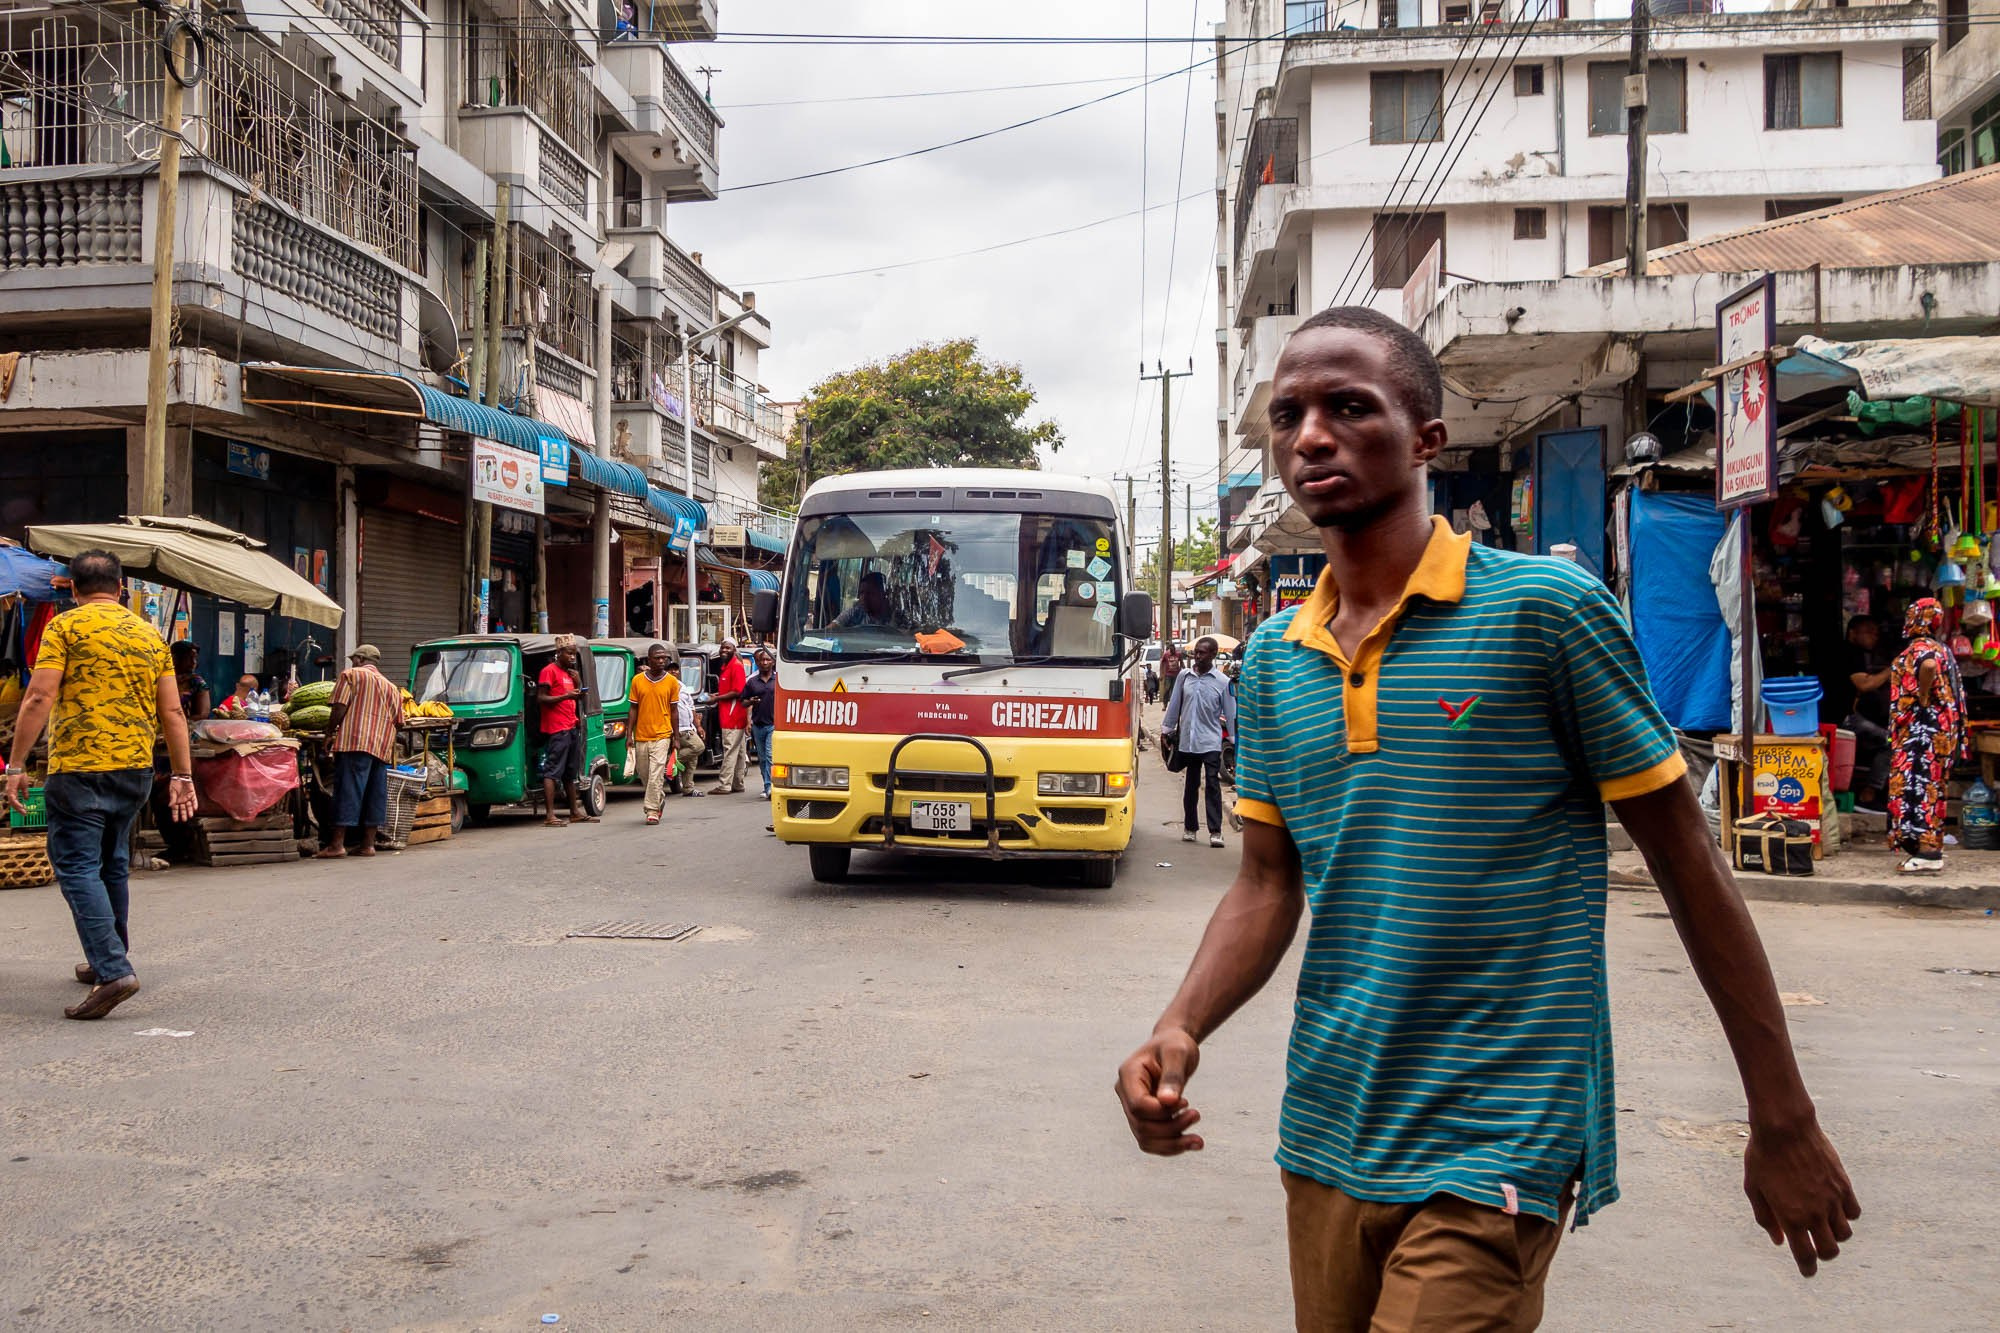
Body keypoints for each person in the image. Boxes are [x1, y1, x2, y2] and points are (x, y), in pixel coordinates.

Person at [1115, 307, 1859, 1330]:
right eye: (1288, 415)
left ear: (1427, 438)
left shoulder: (1543, 613)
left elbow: (1686, 860)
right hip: (1328, 1129)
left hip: (1494, 1138)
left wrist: (1780, 1113)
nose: (1309, 436)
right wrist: (1177, 1024)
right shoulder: (1278, 661)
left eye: (1347, 407)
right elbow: (1266, 881)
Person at [4, 548, 196, 1020]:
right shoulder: (151, 636)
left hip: (79, 770)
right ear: (122, 588)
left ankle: (113, 969)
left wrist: (14, 765)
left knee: (75, 866)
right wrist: (184, 774)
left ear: (71, 587)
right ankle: (106, 956)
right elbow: (172, 711)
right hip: (134, 771)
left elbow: (39, 696)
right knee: (112, 863)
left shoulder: (65, 627)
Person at [1885, 598, 1966, 874]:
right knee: (1930, 788)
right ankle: (1927, 849)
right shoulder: (1940, 647)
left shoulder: (1922, 648)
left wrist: (1921, 696)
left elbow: (1928, 667)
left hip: (1921, 731)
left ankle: (1927, 854)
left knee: (1917, 789)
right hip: (1936, 730)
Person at [315, 644, 404, 859]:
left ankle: (336, 845)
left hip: (355, 741)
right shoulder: (391, 687)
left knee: (348, 790)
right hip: (381, 745)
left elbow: (339, 707)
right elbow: (399, 722)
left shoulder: (350, 676)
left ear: (358, 659)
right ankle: (368, 845)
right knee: (375, 794)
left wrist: (329, 732)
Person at [1162, 635, 1235, 849]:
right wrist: (1166, 730)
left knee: (1212, 784)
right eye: (1196, 652)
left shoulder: (1223, 682)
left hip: (1210, 741)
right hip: (1188, 740)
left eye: (1202, 653)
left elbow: (1230, 714)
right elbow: (1175, 704)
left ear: (1213, 655)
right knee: (1191, 785)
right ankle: (1190, 827)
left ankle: (1215, 832)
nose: (1197, 656)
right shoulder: (1185, 677)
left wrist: (1233, 738)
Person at [1835, 615, 1894, 813]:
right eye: (1869, 632)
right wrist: (1891, 670)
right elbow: (1865, 684)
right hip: (1842, 718)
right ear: (1852, 632)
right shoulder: (1849, 652)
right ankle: (1868, 796)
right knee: (1891, 741)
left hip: (1850, 715)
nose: (1874, 637)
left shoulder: (1855, 653)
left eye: (1876, 633)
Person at [537, 638, 595, 825]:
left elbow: (578, 697)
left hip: (571, 726)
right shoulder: (548, 671)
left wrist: (578, 684)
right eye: (569, 653)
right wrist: (565, 696)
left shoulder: (570, 674)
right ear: (559, 653)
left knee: (570, 773)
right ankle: (550, 815)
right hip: (557, 728)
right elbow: (541, 698)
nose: (572, 657)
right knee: (552, 771)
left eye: (573, 653)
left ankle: (574, 812)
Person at [628, 642, 682, 825]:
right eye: (657, 658)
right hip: (642, 735)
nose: (661, 661)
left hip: (662, 734)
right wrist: (629, 735)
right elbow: (633, 709)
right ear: (648, 660)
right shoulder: (637, 681)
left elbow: (674, 711)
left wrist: (676, 737)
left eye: (664, 658)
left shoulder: (672, 682)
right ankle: (659, 798)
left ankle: (651, 810)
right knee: (645, 775)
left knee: (656, 773)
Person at [709, 638, 751, 794]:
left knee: (730, 750)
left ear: (734, 649)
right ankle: (738, 783)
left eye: (727, 648)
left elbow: (738, 691)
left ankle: (725, 784)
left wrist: (717, 698)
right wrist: (718, 695)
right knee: (739, 751)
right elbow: (730, 689)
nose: (724, 650)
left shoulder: (736, 666)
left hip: (732, 716)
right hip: (732, 715)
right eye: (722, 648)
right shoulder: (726, 666)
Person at [741, 647, 778, 798]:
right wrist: (751, 701)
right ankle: (766, 785)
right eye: (762, 660)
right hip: (758, 725)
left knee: (770, 755)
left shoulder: (779, 680)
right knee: (762, 758)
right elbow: (743, 702)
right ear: (758, 662)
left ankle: (771, 787)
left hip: (773, 724)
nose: (764, 662)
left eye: (768, 660)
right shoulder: (751, 682)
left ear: (773, 662)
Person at [673, 667, 707, 798]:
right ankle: (668, 763)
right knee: (698, 747)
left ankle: (688, 787)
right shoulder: (665, 686)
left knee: (693, 758)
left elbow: (691, 707)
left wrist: (698, 726)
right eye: (670, 670)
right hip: (677, 728)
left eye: (675, 669)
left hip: (688, 726)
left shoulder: (682, 686)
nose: (674, 672)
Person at [170, 640, 211, 722]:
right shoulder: (163, 680)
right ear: (175, 659)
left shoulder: (197, 682)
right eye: (189, 658)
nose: (193, 662)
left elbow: (203, 714)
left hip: (188, 728)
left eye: (195, 658)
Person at [1158, 639, 1183, 709]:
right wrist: (1161, 674)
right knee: (1167, 688)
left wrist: (1182, 670)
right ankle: (1165, 704)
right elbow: (1162, 664)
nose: (1172, 652)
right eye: (1171, 651)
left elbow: (1181, 662)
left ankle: (1174, 705)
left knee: (1175, 690)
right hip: (1168, 674)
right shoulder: (1166, 654)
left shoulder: (1178, 654)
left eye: (1173, 650)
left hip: (1176, 675)